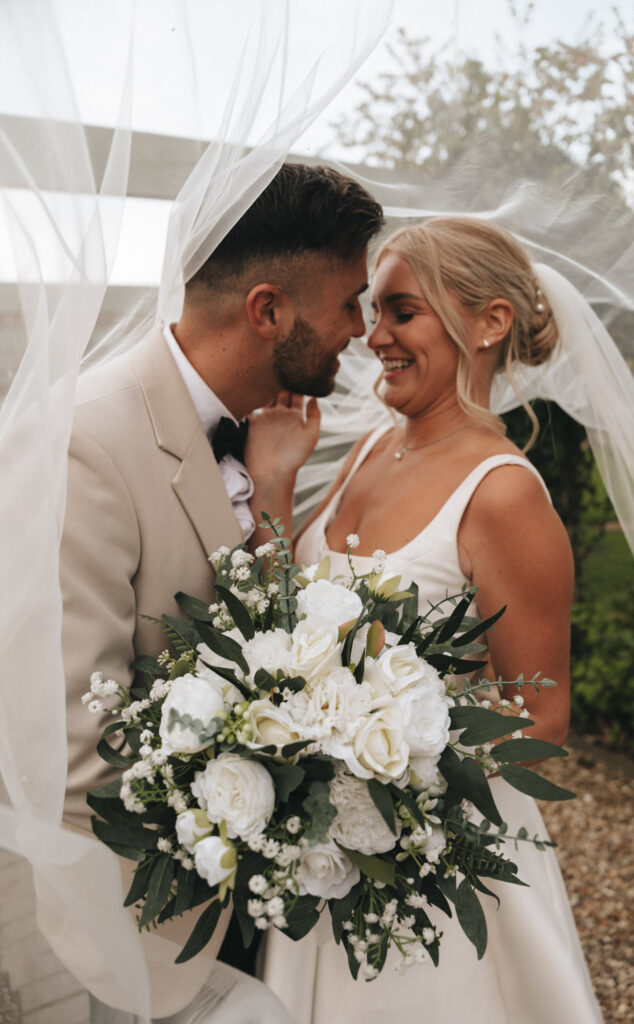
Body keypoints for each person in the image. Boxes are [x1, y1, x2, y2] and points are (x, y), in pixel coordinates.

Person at [246, 217, 604, 1022]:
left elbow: (541, 717)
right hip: (318, 850)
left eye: (400, 312)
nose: (374, 338)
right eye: (372, 314)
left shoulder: (503, 494)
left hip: (429, 872)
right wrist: (273, 483)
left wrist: (378, 771)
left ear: (488, 322)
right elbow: (278, 620)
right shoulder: (371, 448)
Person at [59, 162, 383, 1021]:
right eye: (349, 300)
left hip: (245, 914)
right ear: (268, 309)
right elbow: (72, 755)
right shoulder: (88, 445)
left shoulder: (271, 433)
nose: (362, 327)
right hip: (122, 932)